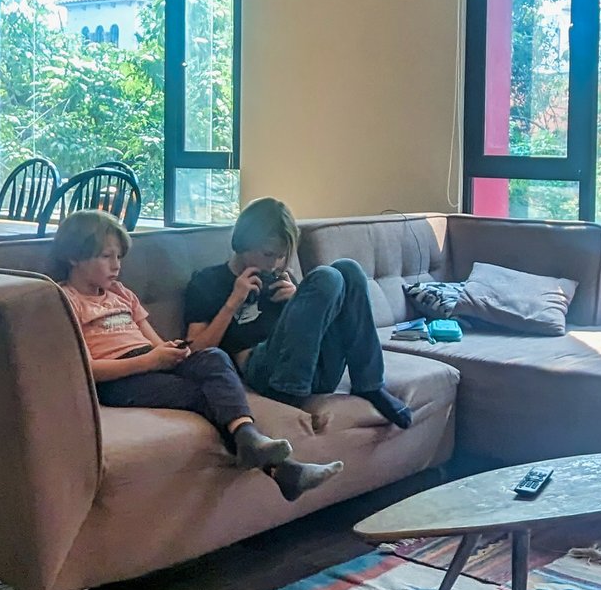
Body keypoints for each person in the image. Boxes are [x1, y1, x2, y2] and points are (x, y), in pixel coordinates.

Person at [51, 209, 342, 502]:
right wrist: (148, 362)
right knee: (206, 396)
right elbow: (84, 369)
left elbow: (153, 342)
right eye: (106, 256)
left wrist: (171, 352)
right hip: (120, 378)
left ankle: (254, 443)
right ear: (74, 257)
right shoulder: (64, 300)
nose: (116, 265)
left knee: (214, 356)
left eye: (119, 257)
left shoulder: (121, 294)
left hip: (150, 361)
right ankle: (280, 466)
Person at [183, 198, 414, 428]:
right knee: (326, 276)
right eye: (268, 254)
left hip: (317, 370)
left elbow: (310, 330)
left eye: (281, 256)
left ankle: (369, 385)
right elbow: (195, 352)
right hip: (265, 373)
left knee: (348, 269)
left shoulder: (281, 278)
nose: (274, 264)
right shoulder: (208, 282)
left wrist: (297, 299)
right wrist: (233, 302)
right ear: (243, 243)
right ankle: (287, 391)